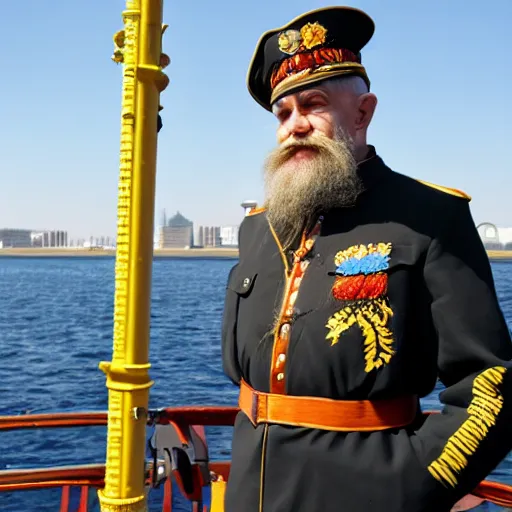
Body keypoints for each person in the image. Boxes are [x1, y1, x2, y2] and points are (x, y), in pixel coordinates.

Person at [220, 6, 512, 512]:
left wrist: (410, 485)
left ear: (362, 112)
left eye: (313, 104)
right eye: (283, 113)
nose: (295, 125)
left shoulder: (428, 216)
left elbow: (489, 384)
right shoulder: (258, 228)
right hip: (252, 491)